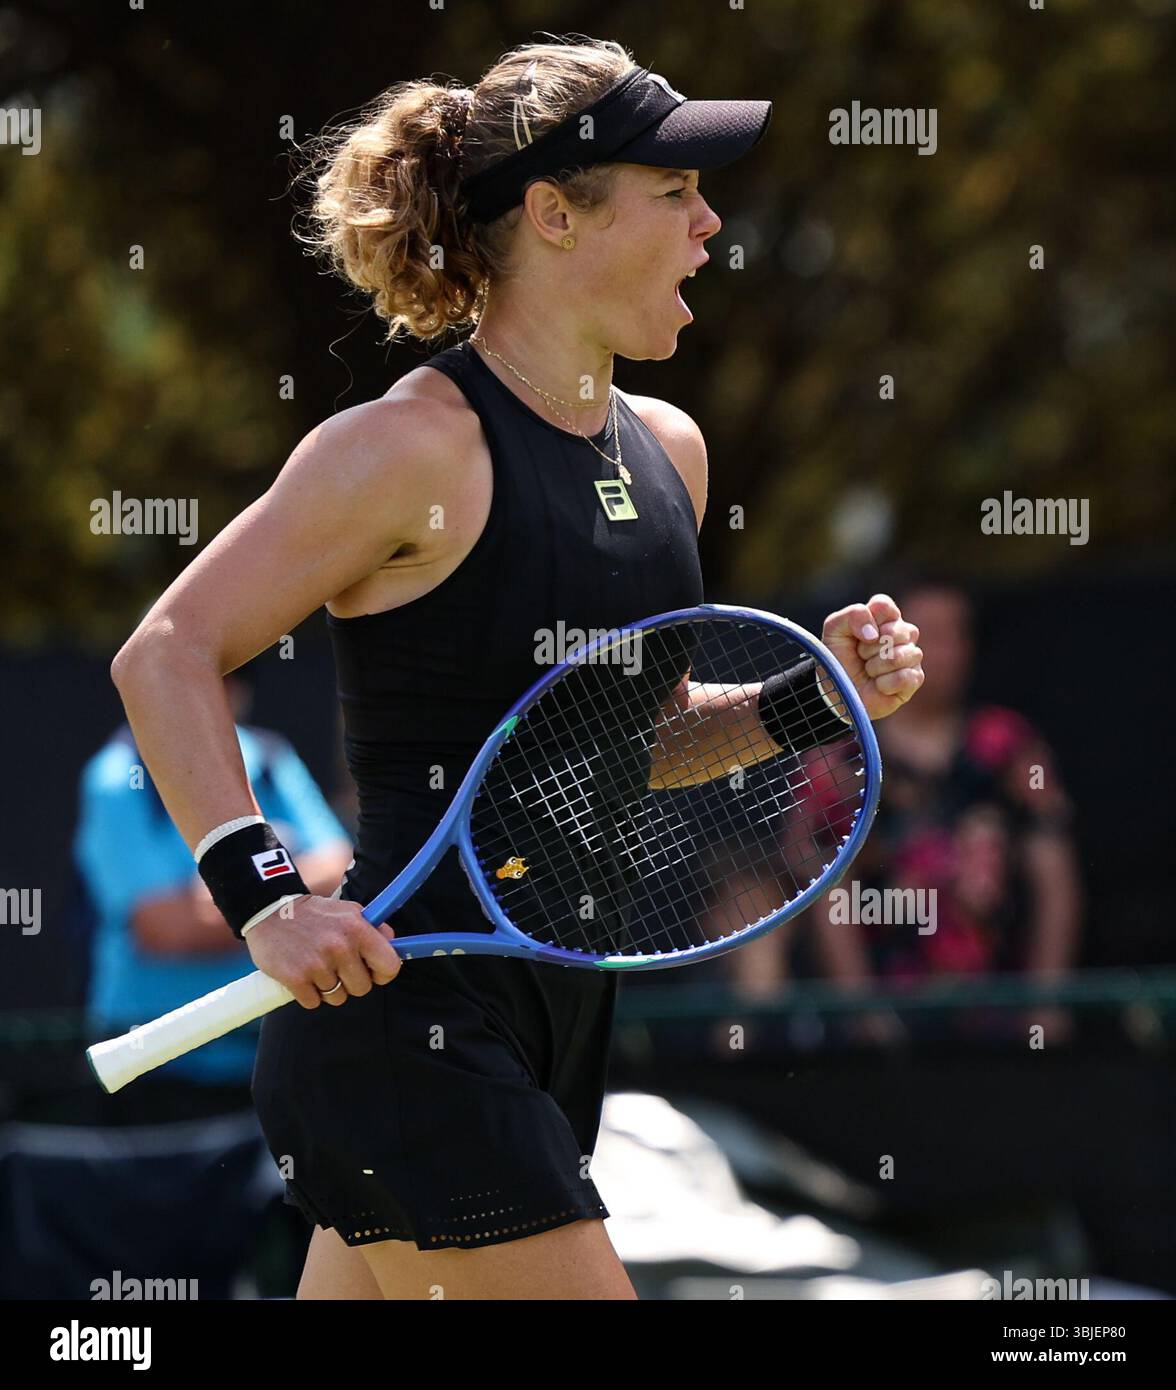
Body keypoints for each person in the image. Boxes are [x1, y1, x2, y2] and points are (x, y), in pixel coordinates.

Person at [108, 37, 925, 1300]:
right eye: (673, 192)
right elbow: (166, 651)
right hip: (411, 1030)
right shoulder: (407, 450)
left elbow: (635, 742)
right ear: (554, 214)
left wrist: (817, 701)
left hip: (551, 1020)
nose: (710, 225)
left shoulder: (671, 453)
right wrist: (267, 903)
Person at [809, 581, 1081, 1042]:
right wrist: (861, 1013)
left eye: (956, 635)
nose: (944, 651)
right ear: (884, 644)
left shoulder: (1006, 744)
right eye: (928, 635)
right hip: (888, 1014)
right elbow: (824, 891)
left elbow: (1053, 871)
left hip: (1000, 1010)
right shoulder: (844, 757)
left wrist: (1046, 1002)